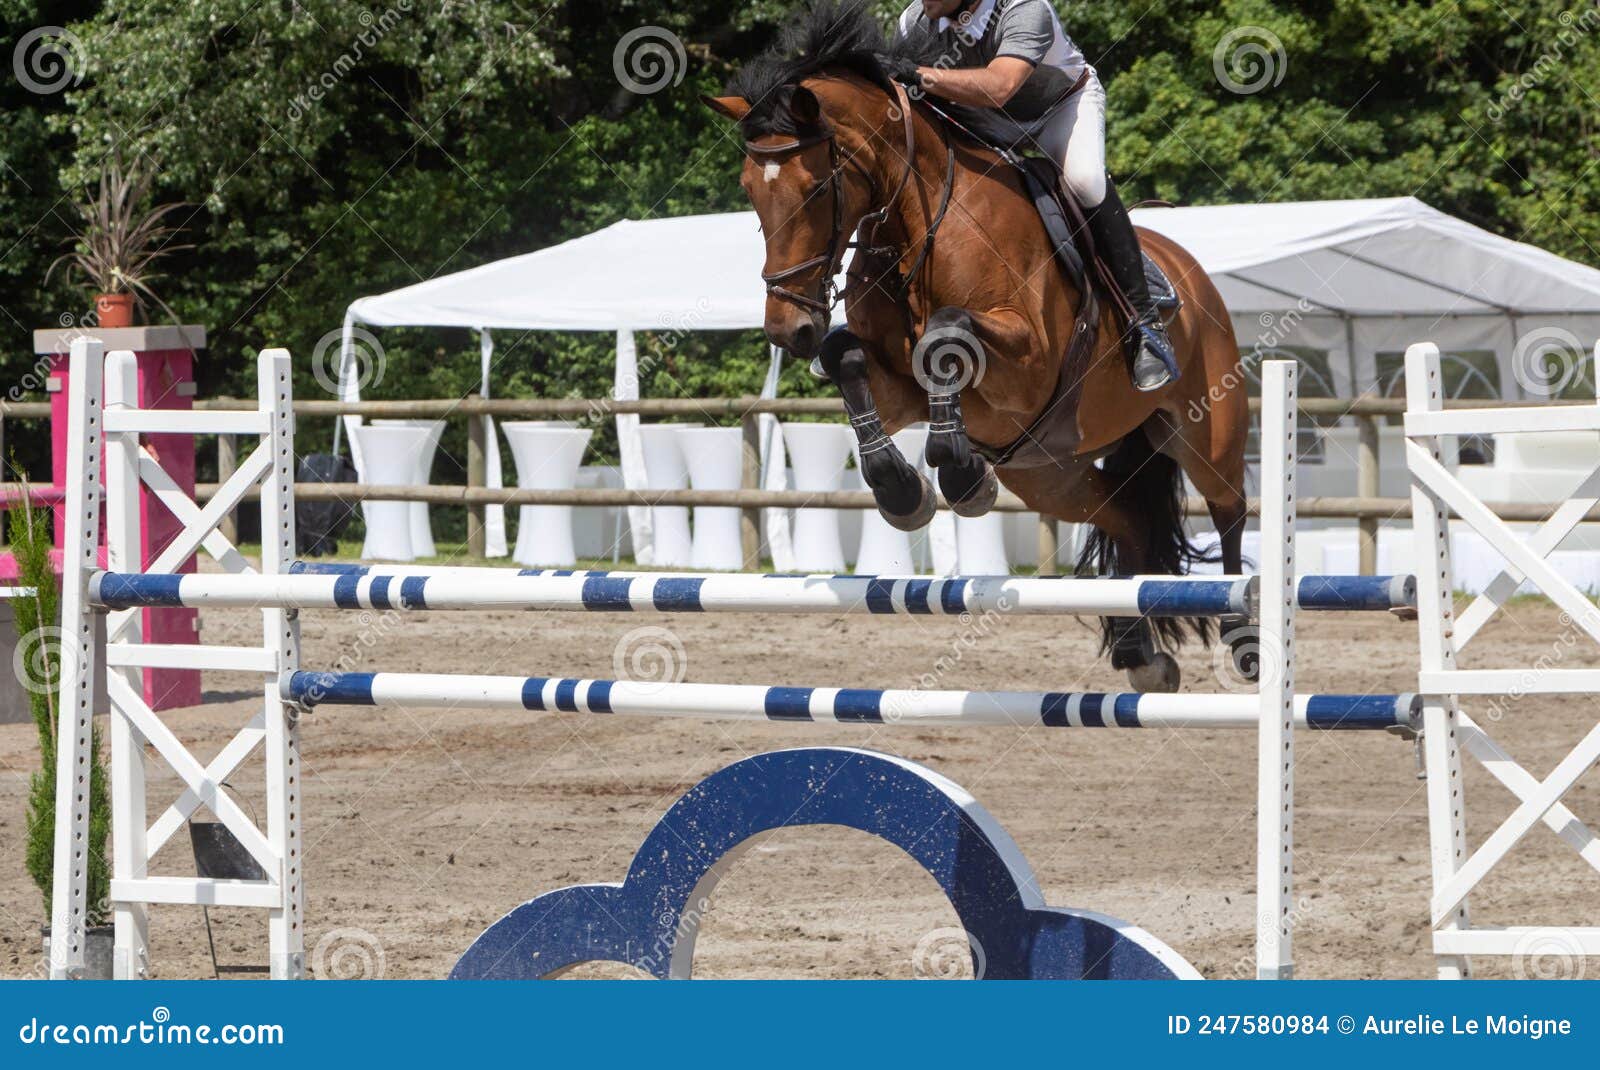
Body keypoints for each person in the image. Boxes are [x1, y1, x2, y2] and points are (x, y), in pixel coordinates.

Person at [885, 0, 1178, 391]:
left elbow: (1000, 86)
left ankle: (1144, 324)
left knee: (1085, 179)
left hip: (1059, 108)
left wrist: (921, 75)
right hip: (984, 123)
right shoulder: (916, 21)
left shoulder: (1024, 9)